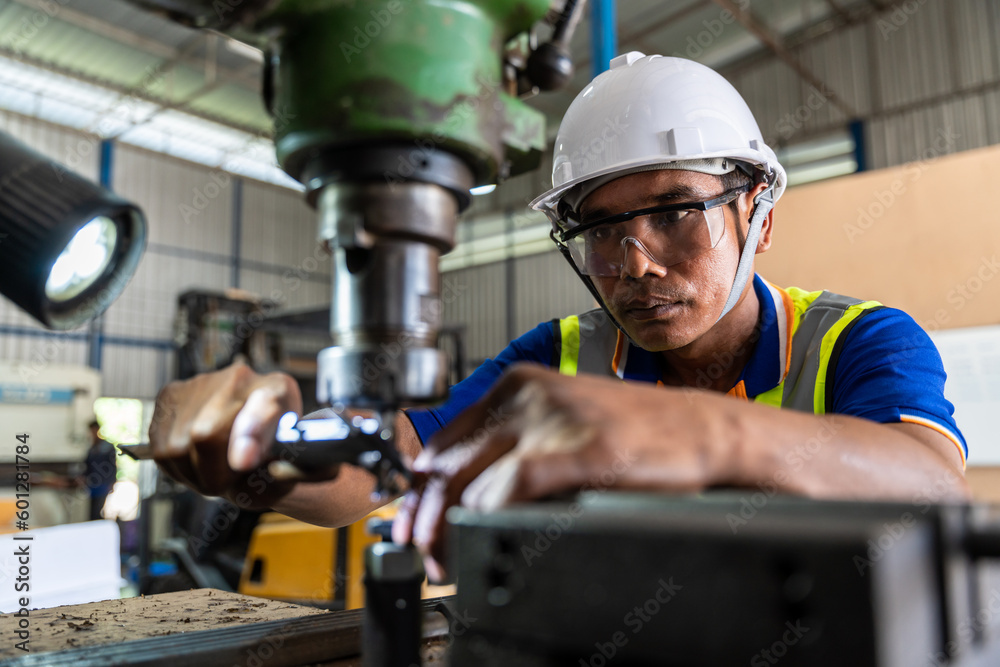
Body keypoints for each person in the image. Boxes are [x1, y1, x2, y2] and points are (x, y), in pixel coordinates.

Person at [149, 53, 970, 582]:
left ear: (757, 209)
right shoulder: (559, 359)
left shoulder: (857, 339)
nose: (634, 262)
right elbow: (387, 462)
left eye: (675, 211)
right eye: (601, 229)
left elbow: (929, 484)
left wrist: (697, 431)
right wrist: (264, 458)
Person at [83, 419, 117, 521]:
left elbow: (112, 466)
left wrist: (112, 482)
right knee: (92, 512)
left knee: (98, 510)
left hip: (104, 483)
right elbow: (87, 466)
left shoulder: (107, 447)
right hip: (93, 484)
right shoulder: (91, 449)